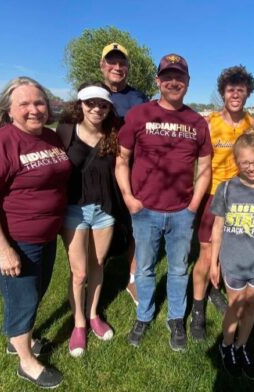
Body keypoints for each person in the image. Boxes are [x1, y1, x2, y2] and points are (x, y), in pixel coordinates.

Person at [0, 76, 71, 388]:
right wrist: (3, 248)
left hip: (45, 234)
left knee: (35, 292)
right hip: (16, 238)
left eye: (38, 102)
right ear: (9, 111)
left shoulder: (51, 139)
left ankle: (18, 340)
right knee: (22, 297)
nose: (33, 109)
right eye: (23, 104)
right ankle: (26, 362)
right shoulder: (0, 143)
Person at [115, 53, 212, 351]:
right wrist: (129, 199)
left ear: (187, 82)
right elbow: (122, 159)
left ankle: (175, 319)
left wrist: (193, 205)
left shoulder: (196, 122)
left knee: (179, 269)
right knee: (144, 268)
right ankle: (143, 314)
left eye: (179, 77)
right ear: (158, 81)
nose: (174, 82)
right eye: (167, 77)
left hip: (182, 212)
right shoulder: (139, 115)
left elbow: (205, 166)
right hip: (145, 210)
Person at [189, 65, 254, 341]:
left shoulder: (251, 123)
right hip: (212, 196)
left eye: (241, 90)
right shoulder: (209, 122)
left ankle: (213, 289)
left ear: (248, 93)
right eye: (231, 89)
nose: (236, 94)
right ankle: (197, 309)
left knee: (226, 253)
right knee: (206, 255)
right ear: (222, 93)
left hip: (240, 198)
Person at [209, 133, 254, 380]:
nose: (251, 167)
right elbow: (217, 227)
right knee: (235, 305)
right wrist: (213, 262)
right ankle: (227, 346)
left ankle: (241, 346)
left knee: (250, 306)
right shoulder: (227, 188)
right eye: (245, 162)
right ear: (236, 162)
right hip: (233, 262)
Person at [56, 82, 120, 357]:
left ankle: (93, 314)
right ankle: (79, 323)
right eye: (90, 103)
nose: (96, 108)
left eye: (103, 104)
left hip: (105, 209)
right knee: (79, 272)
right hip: (74, 210)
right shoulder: (66, 131)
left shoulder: (113, 133)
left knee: (97, 264)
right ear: (80, 104)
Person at [99, 42, 148, 306]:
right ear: (102, 65)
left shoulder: (138, 98)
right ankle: (97, 277)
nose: (117, 67)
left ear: (127, 67)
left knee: (136, 228)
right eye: (111, 62)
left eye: (122, 63)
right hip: (98, 173)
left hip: (132, 170)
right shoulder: (92, 94)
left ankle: (132, 278)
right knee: (99, 226)